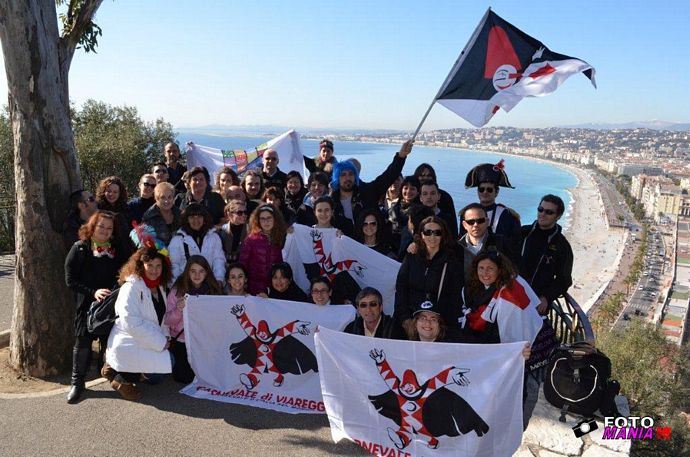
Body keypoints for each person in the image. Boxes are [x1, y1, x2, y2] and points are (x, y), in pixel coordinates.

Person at [459, 251, 540, 429]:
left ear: (499, 270)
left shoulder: (508, 292)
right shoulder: (471, 289)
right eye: (481, 268)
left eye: (490, 269)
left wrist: (518, 350)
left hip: (498, 355)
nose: (485, 273)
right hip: (477, 353)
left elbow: (518, 325)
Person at [64, 210, 127, 403]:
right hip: (87, 306)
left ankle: (116, 377)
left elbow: (126, 271)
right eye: (101, 226)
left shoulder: (117, 249)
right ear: (92, 226)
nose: (105, 231)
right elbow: (70, 280)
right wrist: (93, 292)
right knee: (83, 342)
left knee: (111, 342)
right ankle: (77, 383)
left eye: (109, 228)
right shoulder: (80, 248)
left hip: (111, 306)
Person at [103, 246, 174, 401]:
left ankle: (115, 370)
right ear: (141, 265)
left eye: (158, 266)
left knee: (161, 372)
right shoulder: (131, 287)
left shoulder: (160, 286)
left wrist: (166, 337)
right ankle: (122, 380)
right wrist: (160, 342)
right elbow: (130, 323)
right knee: (160, 372)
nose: (154, 270)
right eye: (150, 266)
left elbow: (163, 318)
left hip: (146, 339)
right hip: (129, 341)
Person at [394, 216, 463, 338]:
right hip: (410, 321)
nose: (432, 237)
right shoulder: (411, 256)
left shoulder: (452, 261)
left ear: (443, 235)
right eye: (428, 232)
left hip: (437, 326)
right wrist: (405, 319)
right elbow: (401, 289)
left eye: (437, 233)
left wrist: (440, 325)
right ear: (421, 234)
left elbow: (455, 298)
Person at [165, 255, 223, 383]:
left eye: (201, 271)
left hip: (204, 341)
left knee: (209, 375)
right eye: (193, 271)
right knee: (184, 377)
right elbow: (167, 321)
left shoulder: (213, 291)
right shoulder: (177, 291)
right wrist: (178, 310)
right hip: (182, 340)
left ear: (207, 272)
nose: (197, 275)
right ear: (187, 272)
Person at [329, 140, 413, 225]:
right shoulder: (332, 202)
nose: (348, 178)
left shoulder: (367, 192)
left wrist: (401, 156)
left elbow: (389, 176)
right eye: (343, 175)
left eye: (351, 174)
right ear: (337, 178)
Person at [519, 195, 574, 314]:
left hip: (536, 305)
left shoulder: (562, 246)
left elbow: (564, 280)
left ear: (558, 216)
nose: (542, 214)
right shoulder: (523, 233)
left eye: (549, 212)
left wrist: (546, 297)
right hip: (512, 298)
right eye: (540, 209)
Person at [463, 160, 521, 245]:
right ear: (477, 191)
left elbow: (515, 244)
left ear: (496, 192)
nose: (485, 192)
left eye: (489, 190)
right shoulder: (467, 214)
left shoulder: (508, 216)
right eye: (481, 189)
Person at [457, 203, 518, 280]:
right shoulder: (456, 248)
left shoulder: (501, 244)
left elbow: (514, 272)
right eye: (471, 222)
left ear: (487, 222)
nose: (475, 225)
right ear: (464, 225)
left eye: (480, 220)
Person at [168, 203, 226, 283]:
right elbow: (174, 265)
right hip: (186, 286)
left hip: (209, 284)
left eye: (199, 216)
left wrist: (219, 279)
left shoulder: (214, 237)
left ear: (204, 218)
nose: (196, 220)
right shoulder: (177, 240)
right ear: (186, 219)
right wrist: (176, 286)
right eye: (192, 217)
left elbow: (218, 260)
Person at [239, 204, 286, 295]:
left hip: (277, 288)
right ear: (258, 221)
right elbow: (243, 264)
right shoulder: (251, 239)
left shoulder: (283, 237)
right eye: (262, 219)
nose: (266, 222)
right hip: (254, 289)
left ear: (275, 219)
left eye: (269, 218)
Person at [96, 176, 133, 248]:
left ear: (120, 193)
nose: (111, 194)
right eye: (108, 191)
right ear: (103, 191)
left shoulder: (125, 208)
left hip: (122, 248)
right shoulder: (97, 207)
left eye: (115, 192)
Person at [141, 182, 181, 247]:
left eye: (169, 197)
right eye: (163, 197)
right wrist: (164, 254)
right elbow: (147, 244)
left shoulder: (180, 214)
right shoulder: (148, 218)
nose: (166, 201)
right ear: (156, 199)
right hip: (159, 255)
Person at [218, 199, 248, 264]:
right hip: (225, 266)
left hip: (244, 266)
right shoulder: (221, 231)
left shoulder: (250, 230)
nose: (243, 215)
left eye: (245, 212)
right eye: (239, 213)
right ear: (230, 214)